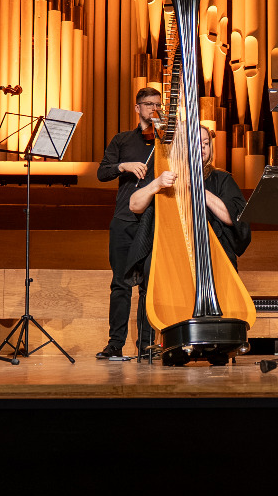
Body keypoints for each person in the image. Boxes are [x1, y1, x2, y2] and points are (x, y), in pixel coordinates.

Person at [96, 86, 166, 360]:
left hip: (156, 220)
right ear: (137, 108)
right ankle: (115, 343)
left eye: (157, 104)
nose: (153, 109)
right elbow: (102, 172)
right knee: (120, 284)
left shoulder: (166, 141)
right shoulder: (123, 140)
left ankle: (147, 344)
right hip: (125, 219)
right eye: (148, 104)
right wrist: (124, 166)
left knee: (149, 284)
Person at [128, 124, 252, 266]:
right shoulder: (164, 176)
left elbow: (234, 218)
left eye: (206, 143)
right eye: (197, 142)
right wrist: (156, 185)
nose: (203, 147)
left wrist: (199, 189)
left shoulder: (221, 178)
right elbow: (134, 206)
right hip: (170, 248)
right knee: (152, 265)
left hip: (211, 250)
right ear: (181, 146)